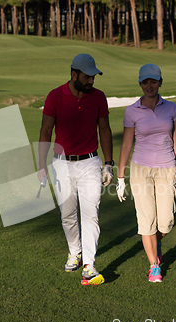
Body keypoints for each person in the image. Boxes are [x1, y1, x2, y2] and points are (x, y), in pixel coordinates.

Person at [38, 54, 114, 286]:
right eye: (87, 76)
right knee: (68, 215)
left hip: (90, 163)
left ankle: (89, 266)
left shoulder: (98, 97)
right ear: (74, 74)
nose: (92, 81)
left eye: (93, 76)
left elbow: (105, 129)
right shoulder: (55, 96)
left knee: (90, 213)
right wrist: (41, 166)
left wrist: (108, 163)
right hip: (61, 164)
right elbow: (45, 132)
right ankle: (75, 252)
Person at [116, 64, 176, 283]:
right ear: (140, 84)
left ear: (160, 82)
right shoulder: (132, 111)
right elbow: (125, 145)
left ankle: (156, 241)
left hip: (167, 168)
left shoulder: (171, 108)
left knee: (166, 222)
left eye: (153, 81)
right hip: (141, 169)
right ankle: (154, 266)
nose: (148, 86)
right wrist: (121, 178)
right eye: (144, 82)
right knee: (146, 220)